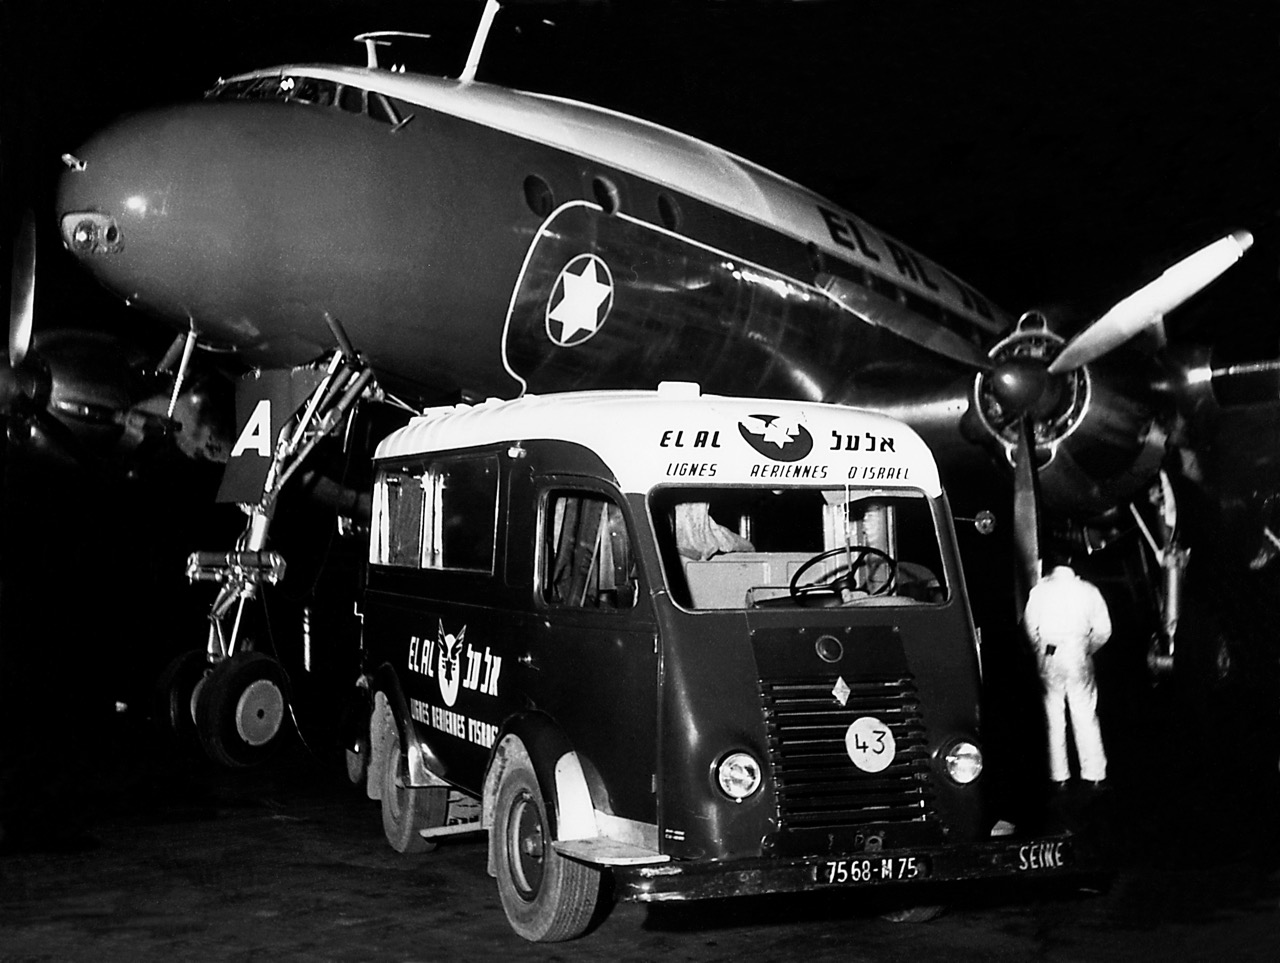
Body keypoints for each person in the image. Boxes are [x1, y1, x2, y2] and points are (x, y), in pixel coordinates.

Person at [1023, 554, 1112, 787]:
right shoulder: (1089, 590)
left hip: (1049, 654)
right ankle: (1094, 774)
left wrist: (1039, 650)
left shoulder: (1039, 592)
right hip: (1078, 654)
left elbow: (1030, 628)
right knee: (1085, 715)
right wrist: (1086, 648)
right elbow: (1104, 630)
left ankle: (1059, 776)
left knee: (1053, 716)